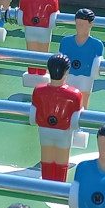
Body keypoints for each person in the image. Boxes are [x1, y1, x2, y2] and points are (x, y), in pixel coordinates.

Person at [31, 54, 85, 183]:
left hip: (44, 130)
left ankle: (47, 184)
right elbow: (77, 117)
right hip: (64, 132)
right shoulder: (75, 94)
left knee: (46, 157)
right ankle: (59, 186)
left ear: (49, 70)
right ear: (66, 72)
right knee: (61, 160)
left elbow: (34, 110)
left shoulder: (38, 90)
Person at [18, 0, 62, 86]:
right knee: (43, 53)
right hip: (44, 30)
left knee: (31, 52)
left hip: (30, 29)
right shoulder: (52, 0)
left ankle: (32, 72)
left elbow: (21, 13)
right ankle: (42, 73)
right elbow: (55, 16)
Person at [57, 9, 105, 106]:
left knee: (82, 104)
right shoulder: (65, 41)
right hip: (68, 76)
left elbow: (97, 65)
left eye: (83, 25)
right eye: (78, 24)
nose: (80, 27)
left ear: (91, 24)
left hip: (86, 77)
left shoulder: (97, 45)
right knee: (66, 103)